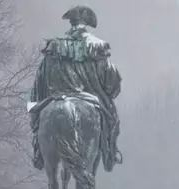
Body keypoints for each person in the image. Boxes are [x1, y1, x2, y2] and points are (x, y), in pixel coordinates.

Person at [29, 5, 123, 173]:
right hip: (90, 97)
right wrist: (108, 93)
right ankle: (111, 152)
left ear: (71, 22)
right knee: (113, 119)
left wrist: (35, 103)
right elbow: (112, 80)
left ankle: (38, 150)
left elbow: (40, 79)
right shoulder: (98, 46)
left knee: (37, 119)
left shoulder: (54, 46)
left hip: (56, 96)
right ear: (87, 22)